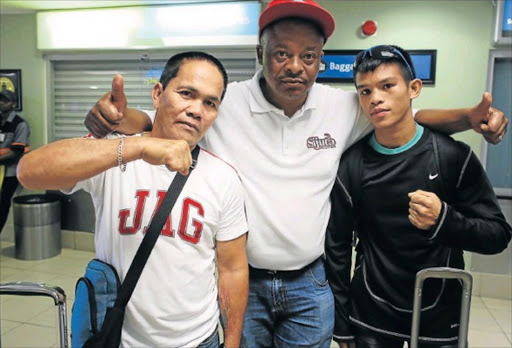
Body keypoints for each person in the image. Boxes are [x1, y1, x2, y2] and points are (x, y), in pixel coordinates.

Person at [83, 1, 509, 347]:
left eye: (308, 56)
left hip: (311, 283)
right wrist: (120, 119)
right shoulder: (223, 104)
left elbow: (405, 117)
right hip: (243, 281)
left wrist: (470, 119)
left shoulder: (341, 107)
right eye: (281, 53)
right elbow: (169, 119)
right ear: (260, 55)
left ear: (321, 61)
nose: (295, 66)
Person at [17, 52, 248, 348]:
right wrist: (138, 147)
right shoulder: (115, 154)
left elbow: (233, 269)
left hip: (198, 339)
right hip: (121, 337)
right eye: (186, 94)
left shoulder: (223, 176)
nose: (196, 110)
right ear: (157, 94)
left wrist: (231, 343)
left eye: (210, 103)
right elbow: (29, 172)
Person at [325, 45, 512, 348]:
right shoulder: (351, 165)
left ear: (413, 89)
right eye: (365, 91)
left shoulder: (452, 156)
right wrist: (343, 324)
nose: (376, 98)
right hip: (372, 314)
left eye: (387, 86)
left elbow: (497, 235)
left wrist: (444, 220)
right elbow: (337, 249)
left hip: (439, 314)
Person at [0, 89, 30, 234]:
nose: (1, 103)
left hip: (9, 174)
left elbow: (16, 151)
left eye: (5, 100)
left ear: (13, 103)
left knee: (2, 205)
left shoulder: (20, 124)